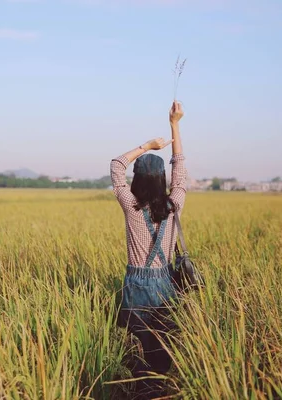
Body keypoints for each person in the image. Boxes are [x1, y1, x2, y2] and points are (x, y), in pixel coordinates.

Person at [110, 101, 186, 399]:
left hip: (136, 285)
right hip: (166, 283)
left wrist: (147, 146)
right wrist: (175, 125)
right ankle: (161, 389)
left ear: (137, 180)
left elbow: (117, 164)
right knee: (162, 348)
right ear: (163, 181)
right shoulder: (174, 204)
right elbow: (180, 168)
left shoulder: (131, 206)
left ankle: (138, 390)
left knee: (136, 350)